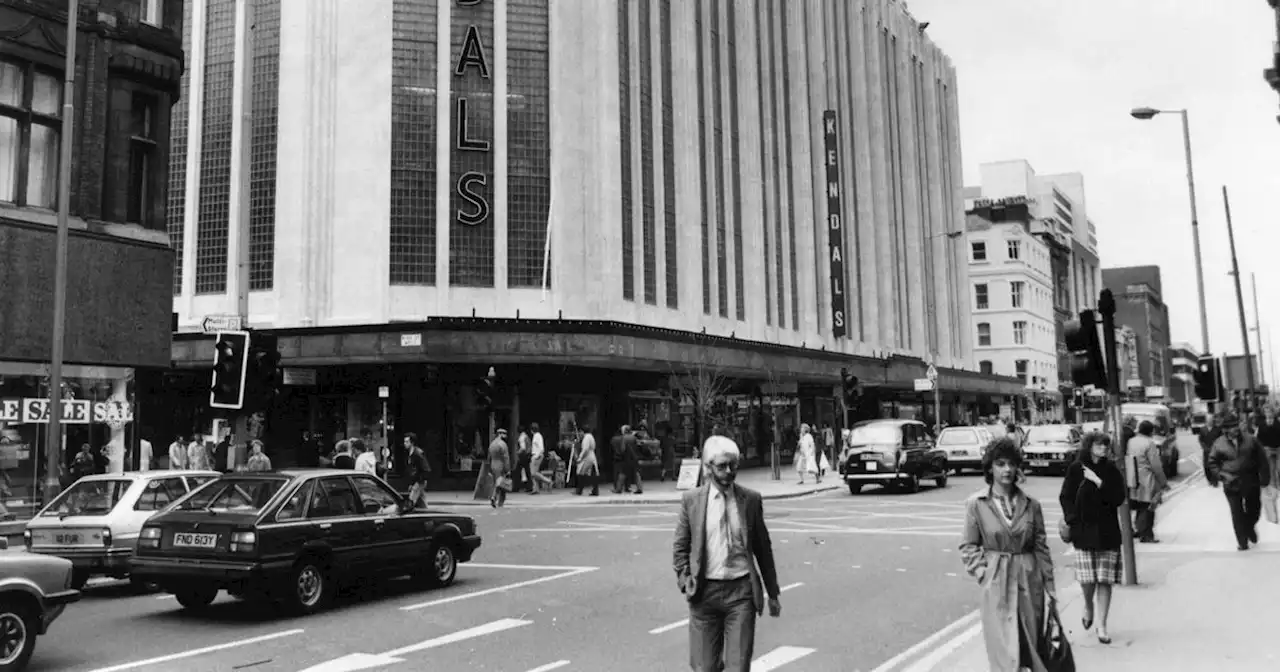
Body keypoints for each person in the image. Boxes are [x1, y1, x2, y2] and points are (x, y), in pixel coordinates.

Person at [672, 436, 781, 672]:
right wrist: (685, 580)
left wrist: (772, 593)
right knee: (704, 667)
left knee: (738, 666)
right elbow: (680, 548)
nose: (728, 472)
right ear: (707, 468)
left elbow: (763, 549)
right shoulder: (692, 501)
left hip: (740, 592)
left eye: (733, 466)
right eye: (721, 466)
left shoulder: (750, 500)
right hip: (704, 593)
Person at [959, 436, 1056, 672]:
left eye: (1011, 464)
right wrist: (984, 573)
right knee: (1003, 652)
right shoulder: (977, 504)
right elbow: (969, 545)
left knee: (1029, 648)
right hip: (997, 580)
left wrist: (1050, 585)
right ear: (990, 468)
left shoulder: (1031, 504)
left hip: (1028, 577)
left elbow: (1041, 546)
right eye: (1000, 464)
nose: (1007, 470)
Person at [1059, 432, 1125, 644]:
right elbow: (1066, 497)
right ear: (1089, 447)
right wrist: (1072, 520)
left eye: (1106, 445)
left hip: (1107, 533)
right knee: (1088, 580)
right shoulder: (1075, 469)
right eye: (1099, 444)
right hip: (1084, 532)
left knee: (1105, 581)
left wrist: (1098, 482)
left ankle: (1102, 626)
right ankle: (1088, 605)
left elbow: (1118, 498)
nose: (1104, 448)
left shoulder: (1111, 470)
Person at [1207, 413, 1273, 551]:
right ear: (1225, 429)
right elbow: (1212, 463)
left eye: (1236, 425)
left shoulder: (1251, 440)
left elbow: (1262, 459)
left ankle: (1249, 528)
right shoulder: (1218, 444)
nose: (1235, 428)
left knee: (1254, 510)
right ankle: (1242, 542)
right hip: (1231, 483)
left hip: (1251, 480)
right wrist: (1222, 476)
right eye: (1231, 427)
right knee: (1236, 513)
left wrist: (1265, 478)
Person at [1126, 420, 1167, 543]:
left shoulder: (1131, 441)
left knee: (1138, 505)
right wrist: (1163, 482)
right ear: (1151, 431)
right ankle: (1146, 534)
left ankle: (1138, 530)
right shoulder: (1149, 443)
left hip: (1132, 476)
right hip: (1147, 478)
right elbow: (1156, 465)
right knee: (1148, 507)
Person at [488, 428, 511, 508]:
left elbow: (489, 457)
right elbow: (506, 458)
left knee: (497, 483)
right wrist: (508, 470)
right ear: (500, 434)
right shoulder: (503, 444)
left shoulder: (492, 444)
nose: (505, 436)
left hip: (493, 464)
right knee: (501, 484)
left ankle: (497, 500)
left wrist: (489, 468)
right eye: (504, 434)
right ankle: (496, 498)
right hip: (500, 465)